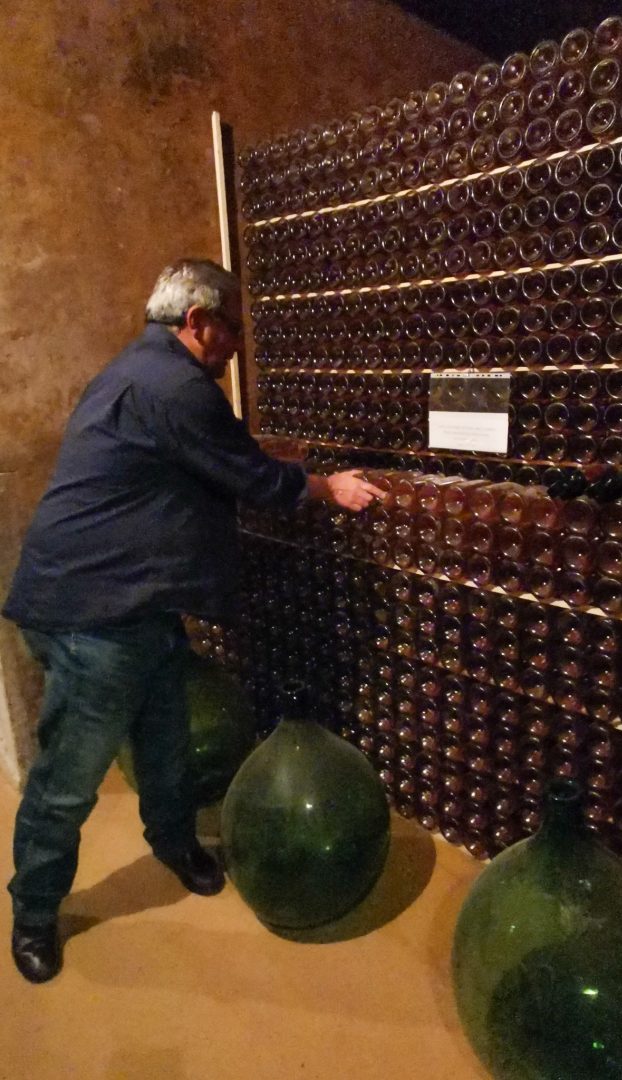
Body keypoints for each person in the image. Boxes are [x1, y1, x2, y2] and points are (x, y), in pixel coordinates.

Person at [2, 259, 384, 983]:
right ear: (197, 320)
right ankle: (34, 913)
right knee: (68, 780)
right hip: (95, 613)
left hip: (125, 602)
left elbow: (201, 466)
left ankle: (174, 843)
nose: (238, 343)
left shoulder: (134, 372)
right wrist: (324, 486)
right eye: (233, 326)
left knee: (167, 740)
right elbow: (248, 475)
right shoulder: (175, 385)